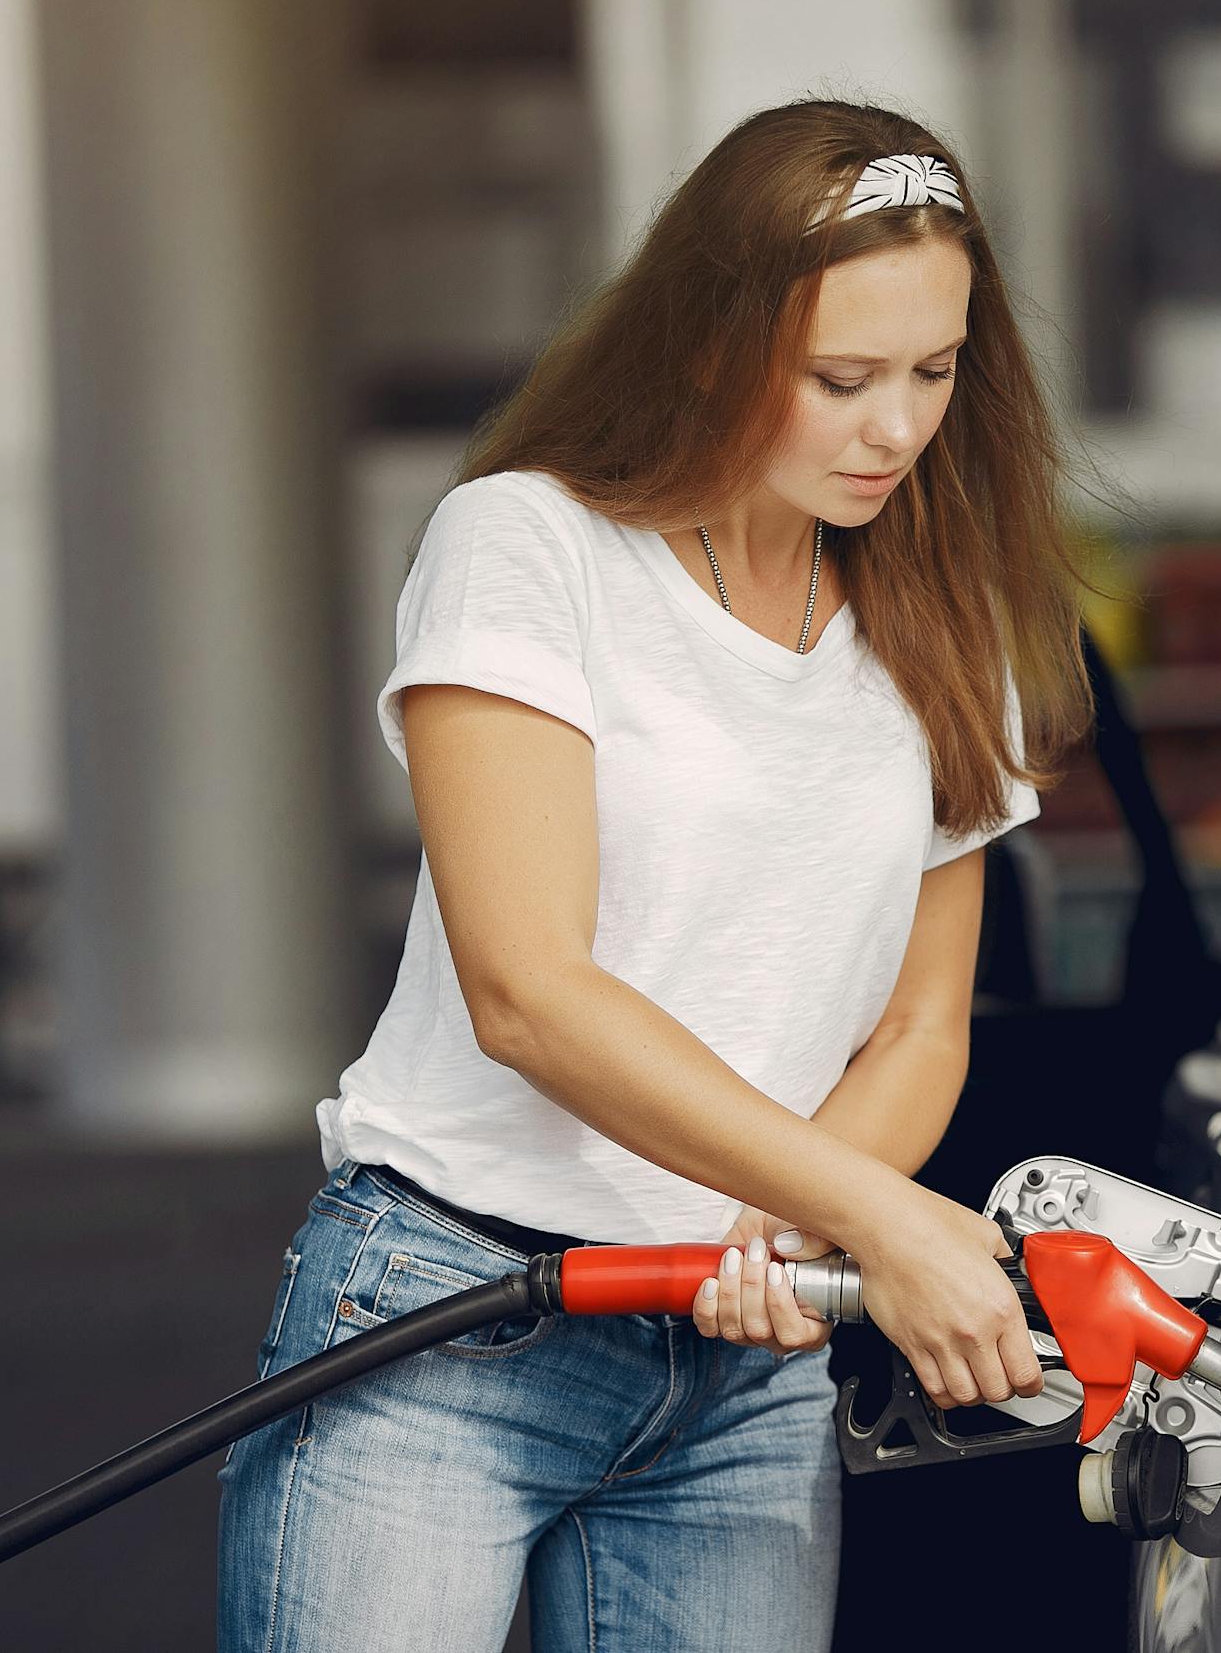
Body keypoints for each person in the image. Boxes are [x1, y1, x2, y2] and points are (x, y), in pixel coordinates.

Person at [215, 98, 1096, 1653]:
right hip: (453, 1319)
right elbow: (530, 993)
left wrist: (796, 1236)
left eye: (936, 372)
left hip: (747, 1370)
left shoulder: (951, 613)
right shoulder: (530, 548)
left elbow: (917, 1031)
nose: (896, 427)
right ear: (709, 343)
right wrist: (873, 1220)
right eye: (842, 380)